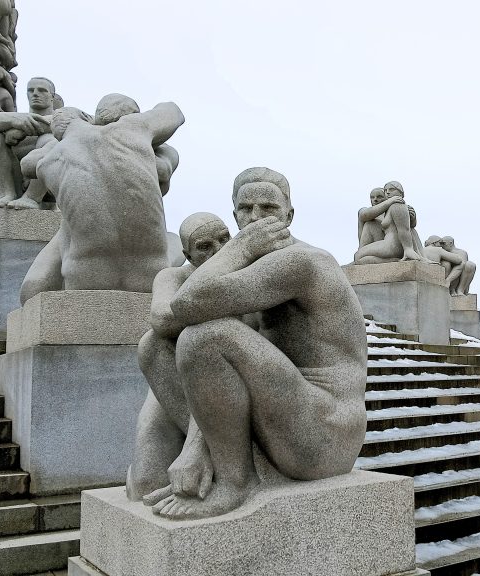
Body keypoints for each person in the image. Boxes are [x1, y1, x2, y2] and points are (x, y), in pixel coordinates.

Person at [141, 167, 367, 519]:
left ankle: (235, 482)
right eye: (245, 210)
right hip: (282, 418)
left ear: (289, 216)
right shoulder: (249, 270)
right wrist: (196, 444)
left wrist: (240, 245)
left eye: (268, 208)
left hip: (326, 434)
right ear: (234, 215)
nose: (256, 218)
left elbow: (187, 304)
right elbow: (166, 321)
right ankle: (217, 458)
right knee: (153, 346)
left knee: (206, 337)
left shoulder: (300, 262)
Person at [18, 100, 184, 301]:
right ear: (88, 119)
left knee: (69, 225)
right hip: (151, 275)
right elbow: (174, 112)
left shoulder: (49, 158)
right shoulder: (134, 128)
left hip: (83, 278)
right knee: (173, 239)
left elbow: (26, 165)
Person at [127, 212, 231, 501]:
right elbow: (160, 319)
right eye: (205, 246)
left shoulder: (248, 270)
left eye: (225, 239)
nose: (219, 251)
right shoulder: (174, 276)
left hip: (225, 389)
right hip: (173, 386)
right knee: (146, 484)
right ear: (187, 255)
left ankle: (214, 455)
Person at [0, 77, 57, 207]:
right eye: (31, 90)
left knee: (51, 139)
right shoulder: (18, 118)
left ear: (52, 97)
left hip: (49, 186)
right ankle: (6, 195)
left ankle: (31, 198)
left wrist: (22, 130)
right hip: (16, 177)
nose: (35, 94)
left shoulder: (61, 116)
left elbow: (63, 123)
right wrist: (14, 120)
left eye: (42, 90)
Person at [353, 180, 429, 264]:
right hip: (381, 245)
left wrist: (412, 217)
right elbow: (364, 215)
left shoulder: (395, 206)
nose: (375, 200)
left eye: (379, 197)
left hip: (392, 246)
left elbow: (408, 229)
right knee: (370, 224)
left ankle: (393, 259)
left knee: (358, 257)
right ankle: (392, 261)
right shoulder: (367, 211)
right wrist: (390, 201)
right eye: (372, 197)